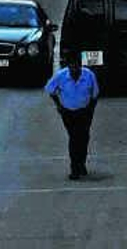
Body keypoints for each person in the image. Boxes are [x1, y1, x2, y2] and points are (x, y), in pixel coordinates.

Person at [43, 50, 100, 180]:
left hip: (84, 112)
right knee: (74, 137)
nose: (74, 69)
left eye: (76, 66)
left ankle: (81, 163)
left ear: (80, 66)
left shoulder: (89, 75)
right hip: (68, 112)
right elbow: (50, 90)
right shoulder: (60, 76)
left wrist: (90, 110)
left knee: (84, 137)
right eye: (71, 66)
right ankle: (75, 167)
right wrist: (58, 105)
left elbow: (95, 94)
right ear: (68, 66)